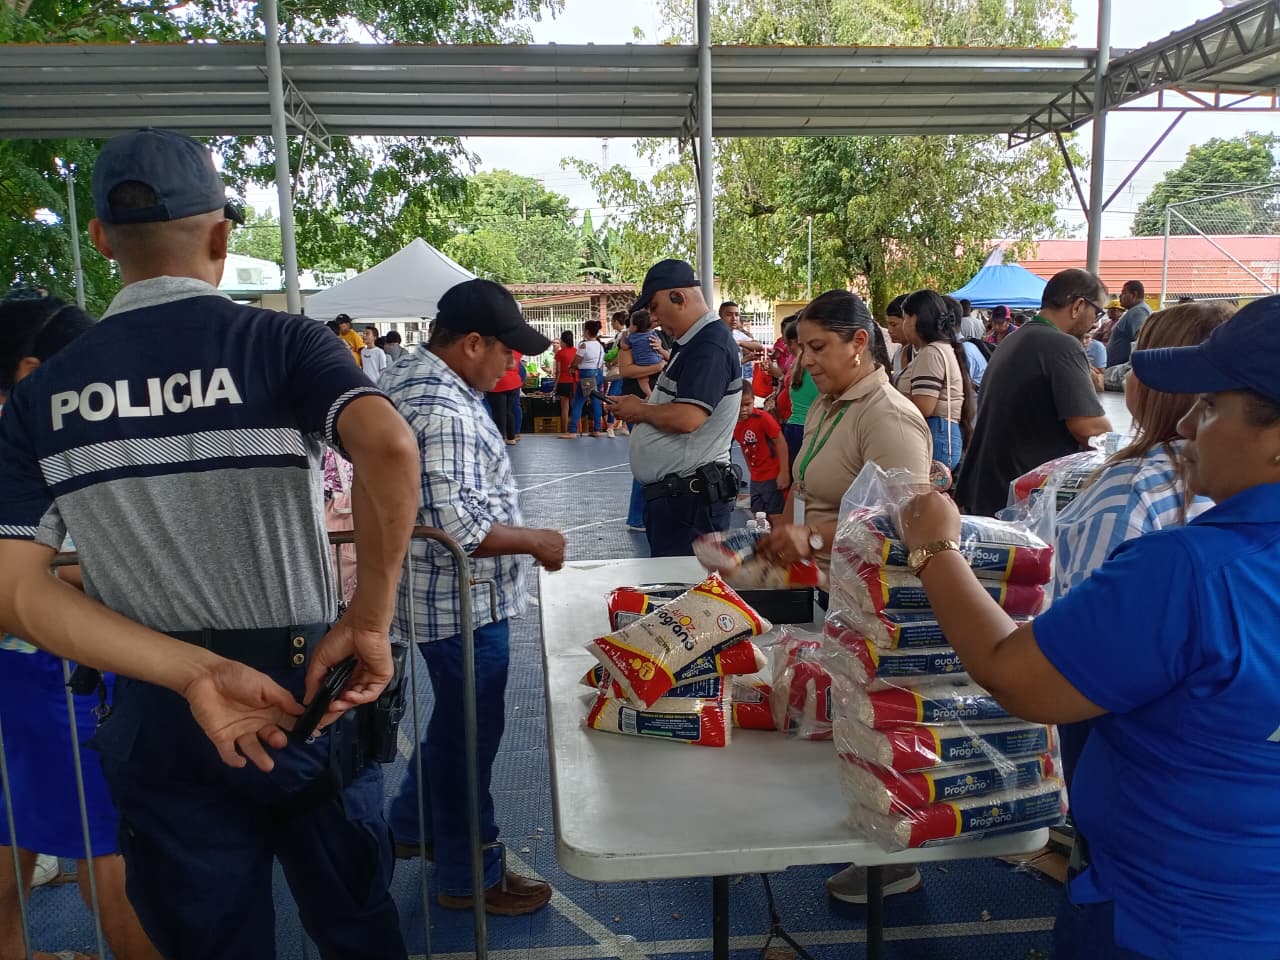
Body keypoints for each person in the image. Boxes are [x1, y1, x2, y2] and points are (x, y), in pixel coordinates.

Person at [0, 128, 423, 959]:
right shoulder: (283, 342)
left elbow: (16, 591)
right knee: (355, 924)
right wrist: (369, 621)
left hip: (158, 709)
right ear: (222, 235)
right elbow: (390, 447)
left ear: (100, 239)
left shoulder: (45, 395)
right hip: (306, 691)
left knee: (207, 942)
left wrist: (191, 674)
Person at [897, 293, 1280, 960]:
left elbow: (1015, 674)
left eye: (1212, 405)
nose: (1188, 424)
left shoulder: (1190, 572)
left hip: (1167, 921)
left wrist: (935, 547)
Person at [381, 278, 565, 917]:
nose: (512, 365)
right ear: (472, 344)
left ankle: (411, 824)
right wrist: (536, 541)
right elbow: (458, 528)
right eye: (507, 351)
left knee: (455, 723)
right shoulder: (444, 410)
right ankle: (469, 874)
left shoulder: (411, 380)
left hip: (438, 596)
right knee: (470, 737)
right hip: (462, 603)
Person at [754, 289, 930, 905]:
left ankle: (894, 858)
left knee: (875, 729)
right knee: (844, 725)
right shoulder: (832, 405)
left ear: (860, 343)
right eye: (802, 348)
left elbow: (910, 522)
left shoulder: (888, 417)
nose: (805, 361)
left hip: (877, 605)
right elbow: (813, 491)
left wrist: (811, 537)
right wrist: (787, 539)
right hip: (834, 591)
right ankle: (868, 837)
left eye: (818, 347)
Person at [0, 296, 160, 960]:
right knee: (111, 853)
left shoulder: (39, 436)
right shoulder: (36, 446)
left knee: (15, 831)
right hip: (58, 675)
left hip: (41, 672)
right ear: (33, 371)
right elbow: (32, 578)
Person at [1052, 301, 1230, 785]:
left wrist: (937, 556)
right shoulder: (1234, 498)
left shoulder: (1132, 489)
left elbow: (1080, 654)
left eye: (1139, 364)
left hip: (1125, 758)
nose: (1129, 377)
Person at [608, 260, 741, 557]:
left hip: (690, 503)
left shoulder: (709, 346)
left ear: (679, 298)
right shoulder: (691, 342)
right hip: (680, 500)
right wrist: (642, 407)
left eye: (655, 308)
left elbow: (688, 417)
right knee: (675, 581)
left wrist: (639, 411)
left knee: (685, 583)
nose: (654, 319)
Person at [955, 269, 1113, 517]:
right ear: (1078, 306)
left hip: (988, 489)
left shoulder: (1013, 339)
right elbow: (1090, 429)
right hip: (1019, 501)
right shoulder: (1062, 345)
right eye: (1097, 312)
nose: (1095, 323)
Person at [898, 290, 974, 471]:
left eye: (904, 318)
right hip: (940, 435)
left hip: (935, 436)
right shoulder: (940, 349)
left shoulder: (931, 353)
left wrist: (892, 400)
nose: (903, 325)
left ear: (914, 319)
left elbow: (924, 406)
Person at [733, 388, 790, 516]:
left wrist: (784, 472)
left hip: (772, 475)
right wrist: (750, 469)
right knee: (758, 513)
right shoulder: (735, 424)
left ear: (753, 401)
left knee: (775, 515)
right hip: (756, 477)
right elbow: (743, 446)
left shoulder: (763, 418)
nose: (743, 409)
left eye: (747, 404)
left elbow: (780, 442)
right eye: (739, 405)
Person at [565, 319, 606, 439]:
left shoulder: (584, 345)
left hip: (587, 375)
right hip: (598, 374)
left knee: (578, 401)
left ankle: (572, 430)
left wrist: (571, 366)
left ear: (587, 331)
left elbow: (577, 360)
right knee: (596, 401)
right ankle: (597, 429)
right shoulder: (600, 346)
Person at [1106, 280, 1151, 368]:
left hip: (1121, 371)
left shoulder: (1139, 312)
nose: (1120, 296)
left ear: (1134, 295)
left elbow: (1140, 342)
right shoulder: (1135, 311)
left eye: (1124, 293)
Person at [485, 349, 523, 446]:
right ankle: (511, 437)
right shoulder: (517, 350)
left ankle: (500, 438)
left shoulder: (496, 349)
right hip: (514, 383)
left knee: (499, 413)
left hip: (499, 384)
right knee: (508, 411)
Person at [720, 300, 765, 379]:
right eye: (729, 315)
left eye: (736, 315)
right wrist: (746, 359)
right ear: (720, 317)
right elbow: (722, 366)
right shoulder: (717, 336)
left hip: (737, 380)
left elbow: (759, 347)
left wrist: (740, 342)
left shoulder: (737, 334)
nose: (734, 318)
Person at [553, 330, 578, 438]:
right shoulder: (576, 351)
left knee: (564, 408)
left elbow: (558, 371)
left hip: (563, 382)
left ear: (563, 341)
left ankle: (564, 430)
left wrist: (555, 385)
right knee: (575, 407)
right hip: (574, 382)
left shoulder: (560, 353)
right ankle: (574, 430)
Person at [884, 294, 912, 384]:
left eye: (894, 325)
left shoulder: (921, 354)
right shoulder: (898, 353)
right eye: (888, 325)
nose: (889, 330)